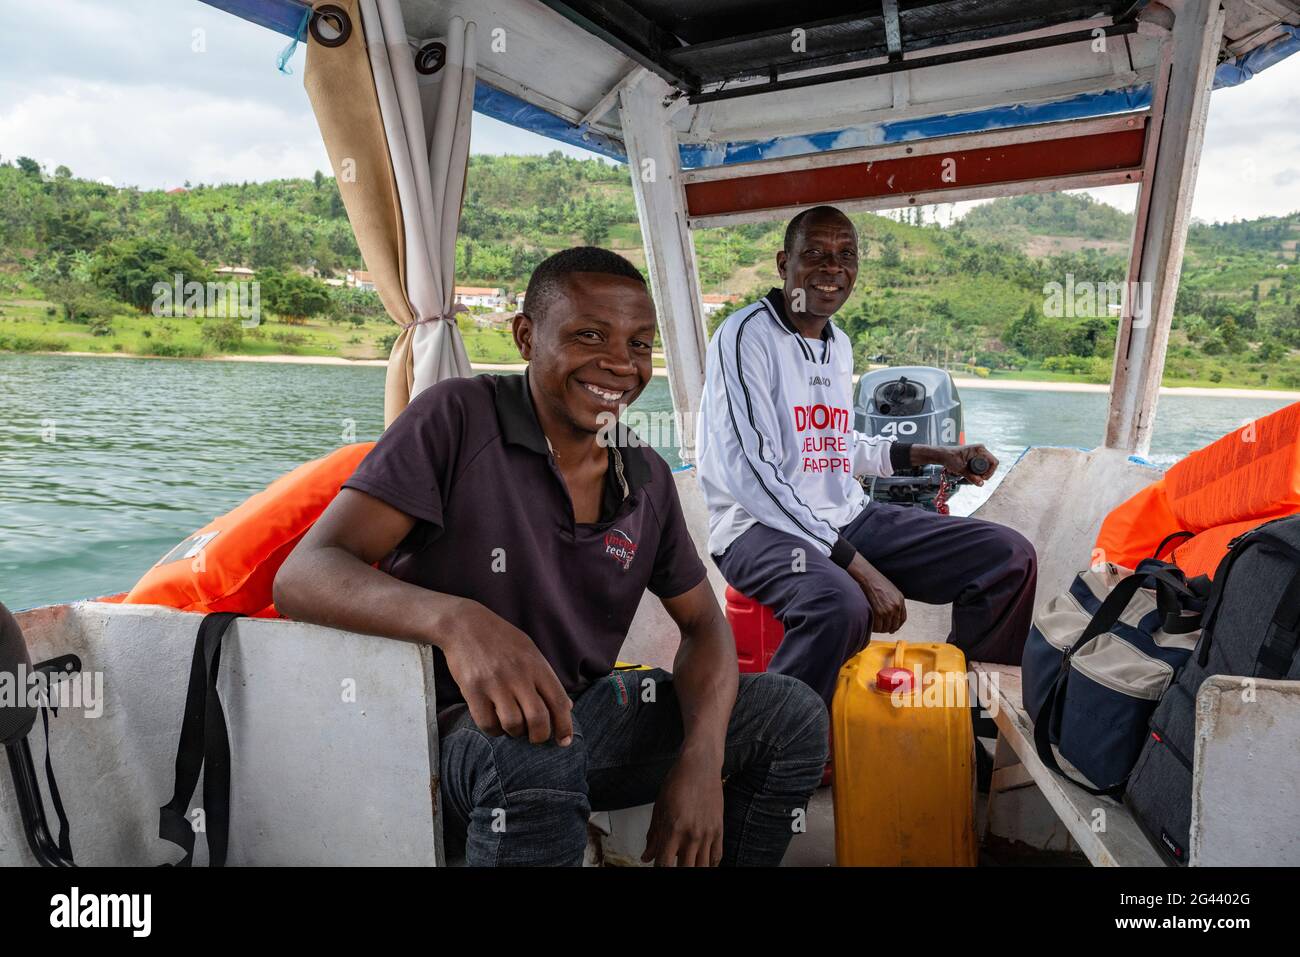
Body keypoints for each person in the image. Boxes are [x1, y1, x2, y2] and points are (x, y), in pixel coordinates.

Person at [274, 247, 827, 867]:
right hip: (447, 736)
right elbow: (306, 575)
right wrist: (459, 621)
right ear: (525, 336)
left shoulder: (643, 472)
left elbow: (703, 625)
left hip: (578, 719)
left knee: (791, 713)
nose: (620, 364)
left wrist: (703, 757)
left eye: (640, 345)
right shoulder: (456, 417)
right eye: (590, 335)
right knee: (535, 747)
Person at [695, 205, 1038, 708]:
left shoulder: (838, 345)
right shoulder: (746, 335)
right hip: (755, 529)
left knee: (1007, 558)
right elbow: (751, 474)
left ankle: (961, 714)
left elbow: (838, 444)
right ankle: (766, 752)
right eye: (814, 253)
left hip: (847, 518)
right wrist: (858, 566)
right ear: (783, 263)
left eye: (846, 255)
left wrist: (937, 454)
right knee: (841, 605)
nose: (832, 268)